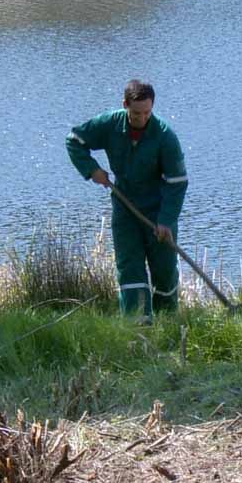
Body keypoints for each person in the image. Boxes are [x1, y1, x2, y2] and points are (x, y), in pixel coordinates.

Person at [66, 80, 188, 320]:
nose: (142, 118)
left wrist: (165, 221)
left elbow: (177, 182)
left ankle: (168, 323)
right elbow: (74, 140)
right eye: (136, 113)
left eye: (147, 113)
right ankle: (137, 326)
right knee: (129, 267)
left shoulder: (165, 136)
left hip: (158, 211)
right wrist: (91, 169)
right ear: (125, 105)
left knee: (164, 270)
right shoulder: (110, 124)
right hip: (125, 208)